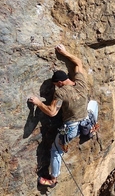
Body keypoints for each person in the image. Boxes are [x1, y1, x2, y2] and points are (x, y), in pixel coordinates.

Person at [28, 44, 89, 188]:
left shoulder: (61, 92)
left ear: (60, 83)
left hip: (72, 126)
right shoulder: (80, 83)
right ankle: (90, 128)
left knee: (56, 150)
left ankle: (53, 179)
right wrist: (65, 52)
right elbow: (78, 62)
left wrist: (38, 103)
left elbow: (52, 112)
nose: (55, 87)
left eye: (56, 84)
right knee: (92, 104)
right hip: (85, 118)